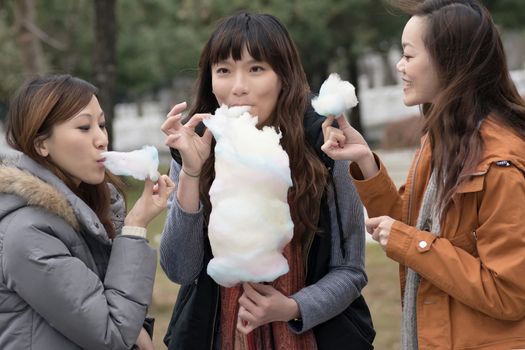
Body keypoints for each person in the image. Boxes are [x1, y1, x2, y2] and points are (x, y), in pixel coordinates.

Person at [159, 12, 375, 350]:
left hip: (313, 337)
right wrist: (191, 171)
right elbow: (179, 270)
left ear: (283, 77)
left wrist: (292, 307)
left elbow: (350, 269)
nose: (238, 86)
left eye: (256, 69)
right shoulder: (196, 145)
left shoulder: (324, 146)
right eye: (224, 71)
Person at [322, 0, 525, 349]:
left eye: (409, 55)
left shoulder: (500, 165)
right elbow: (417, 227)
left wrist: (410, 243)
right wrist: (365, 162)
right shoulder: (444, 141)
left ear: (450, 62)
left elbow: (507, 292)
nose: (400, 66)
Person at [0, 74, 175, 350]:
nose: (102, 139)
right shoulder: (28, 233)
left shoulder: (94, 209)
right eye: (84, 127)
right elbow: (113, 335)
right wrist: (136, 225)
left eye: (102, 125)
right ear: (40, 144)